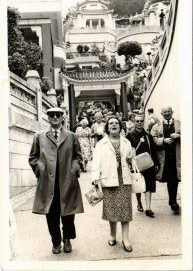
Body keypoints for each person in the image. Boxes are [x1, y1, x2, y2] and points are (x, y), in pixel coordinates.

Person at [29, 107, 84, 254]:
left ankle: (67, 239)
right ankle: (55, 241)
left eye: (57, 115)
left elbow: (78, 156)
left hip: (67, 179)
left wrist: (74, 169)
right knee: (51, 214)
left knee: (68, 213)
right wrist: (40, 169)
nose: (54, 117)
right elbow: (33, 157)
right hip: (48, 182)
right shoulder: (39, 136)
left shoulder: (72, 136)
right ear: (48, 117)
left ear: (62, 117)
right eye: (51, 115)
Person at [92, 115, 134, 252]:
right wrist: (95, 178)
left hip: (124, 179)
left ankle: (126, 238)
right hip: (108, 179)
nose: (114, 125)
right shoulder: (101, 144)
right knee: (112, 210)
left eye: (116, 123)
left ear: (120, 126)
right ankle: (112, 235)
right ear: (107, 127)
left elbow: (132, 162)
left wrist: (130, 160)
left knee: (125, 210)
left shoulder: (127, 142)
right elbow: (96, 162)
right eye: (111, 123)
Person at [126, 114, 160, 218]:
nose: (139, 123)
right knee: (138, 184)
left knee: (148, 184)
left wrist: (156, 163)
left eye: (141, 121)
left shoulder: (147, 135)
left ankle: (148, 208)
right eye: (137, 121)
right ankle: (139, 202)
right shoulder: (129, 135)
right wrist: (129, 162)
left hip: (148, 163)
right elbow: (127, 150)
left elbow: (153, 150)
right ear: (134, 122)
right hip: (136, 164)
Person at [151, 106, 181, 212]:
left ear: (172, 112)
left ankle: (173, 201)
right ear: (161, 113)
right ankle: (172, 201)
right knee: (170, 179)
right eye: (165, 112)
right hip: (165, 157)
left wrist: (179, 136)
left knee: (175, 179)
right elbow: (153, 139)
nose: (167, 113)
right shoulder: (157, 126)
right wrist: (163, 140)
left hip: (177, 157)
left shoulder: (179, 123)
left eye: (169, 111)